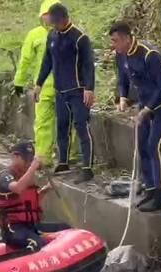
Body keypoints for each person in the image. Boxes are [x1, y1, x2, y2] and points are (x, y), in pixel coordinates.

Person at [110, 21, 161, 212]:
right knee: (142, 145)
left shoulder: (150, 54)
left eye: (116, 41)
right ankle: (149, 189)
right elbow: (123, 79)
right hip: (144, 103)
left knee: (154, 145)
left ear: (125, 38)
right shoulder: (121, 54)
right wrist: (123, 98)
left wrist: (147, 109)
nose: (114, 45)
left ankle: (159, 195)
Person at [34, 3, 96, 184]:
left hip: (77, 91)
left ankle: (87, 167)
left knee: (81, 126)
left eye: (56, 22)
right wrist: (39, 83)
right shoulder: (52, 36)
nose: (54, 26)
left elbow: (88, 65)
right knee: (62, 126)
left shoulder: (80, 38)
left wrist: (88, 88)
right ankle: (63, 161)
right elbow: (47, 61)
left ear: (64, 19)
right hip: (60, 89)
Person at [12, 0, 77, 167]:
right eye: (46, 15)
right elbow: (26, 59)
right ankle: (47, 157)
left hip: (64, 87)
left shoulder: (69, 33)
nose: (49, 19)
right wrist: (19, 81)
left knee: (64, 122)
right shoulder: (37, 35)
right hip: (47, 88)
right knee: (46, 123)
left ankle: (63, 156)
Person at [0, 141, 70, 251]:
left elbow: (31, 204)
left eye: (30, 160)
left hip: (30, 226)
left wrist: (45, 190)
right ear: (15, 157)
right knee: (37, 243)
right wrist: (33, 167)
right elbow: (18, 188)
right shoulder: (5, 176)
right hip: (13, 229)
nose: (28, 163)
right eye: (26, 159)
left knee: (65, 228)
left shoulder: (26, 176)